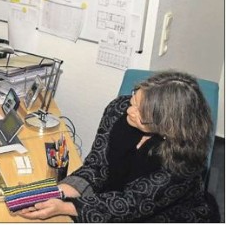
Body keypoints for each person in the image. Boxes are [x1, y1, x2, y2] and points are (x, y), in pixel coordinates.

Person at [15, 71, 219, 222]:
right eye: (134, 98)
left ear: (168, 126)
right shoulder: (119, 109)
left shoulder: (184, 161)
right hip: (108, 200)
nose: (130, 110)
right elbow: (97, 165)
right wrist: (60, 192)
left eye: (141, 113)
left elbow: (132, 203)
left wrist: (67, 207)